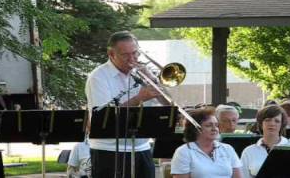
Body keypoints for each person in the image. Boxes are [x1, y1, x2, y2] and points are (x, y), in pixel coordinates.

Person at [86, 31, 164, 178]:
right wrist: (139, 98)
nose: (132, 59)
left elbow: (168, 103)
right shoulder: (98, 77)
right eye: (125, 55)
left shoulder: (142, 73)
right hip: (109, 151)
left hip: (142, 147)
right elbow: (104, 116)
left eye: (135, 53)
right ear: (111, 54)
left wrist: (155, 81)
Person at [171, 107, 242, 178]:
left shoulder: (227, 149)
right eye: (209, 125)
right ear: (195, 129)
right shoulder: (184, 152)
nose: (214, 129)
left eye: (216, 125)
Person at [241, 105, 290, 178]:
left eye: (277, 121)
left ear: (281, 125)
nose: (272, 124)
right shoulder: (249, 151)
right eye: (268, 120)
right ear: (261, 123)